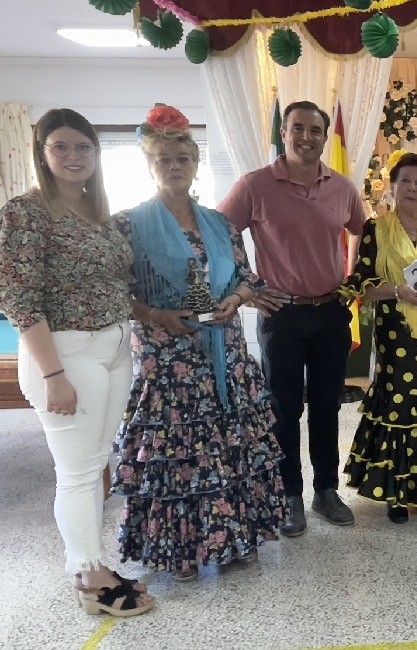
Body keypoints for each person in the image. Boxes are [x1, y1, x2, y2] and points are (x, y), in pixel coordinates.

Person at [112, 105, 286, 580]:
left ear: (195, 163)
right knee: (179, 452)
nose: (174, 166)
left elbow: (250, 278)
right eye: (163, 158)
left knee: (228, 447)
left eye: (182, 158)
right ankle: (179, 550)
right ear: (149, 164)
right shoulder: (127, 224)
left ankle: (233, 539)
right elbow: (113, 292)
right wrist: (154, 315)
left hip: (225, 355)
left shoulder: (220, 222)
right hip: (167, 362)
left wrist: (237, 298)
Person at [0, 108, 153, 616]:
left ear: (96, 154)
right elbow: (20, 300)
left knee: (93, 464)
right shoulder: (25, 212)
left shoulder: (99, 213)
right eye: (60, 147)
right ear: (42, 154)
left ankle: (91, 563)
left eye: (83, 147)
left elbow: (115, 285)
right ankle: (89, 577)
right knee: (78, 472)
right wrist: (53, 376)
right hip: (64, 354)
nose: (73, 156)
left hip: (112, 347)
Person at [218, 100, 368, 536]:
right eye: (297, 128)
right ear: (283, 133)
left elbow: (361, 230)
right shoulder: (255, 185)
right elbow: (217, 232)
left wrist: (352, 280)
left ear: (324, 135)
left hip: (330, 313)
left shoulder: (342, 187)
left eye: (315, 129)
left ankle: (325, 490)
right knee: (284, 409)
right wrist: (246, 287)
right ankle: (288, 496)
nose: (306, 136)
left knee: (326, 405)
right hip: (280, 315)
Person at [341, 151, 417, 524]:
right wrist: (397, 291)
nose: (411, 188)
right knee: (398, 402)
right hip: (397, 333)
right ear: (393, 186)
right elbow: (359, 283)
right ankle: (396, 492)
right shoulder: (376, 230)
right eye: (405, 181)